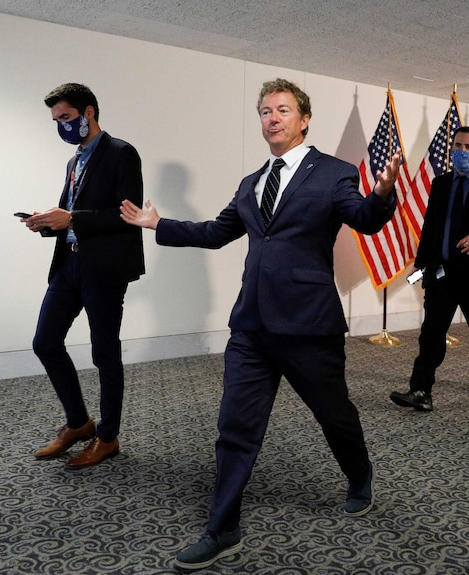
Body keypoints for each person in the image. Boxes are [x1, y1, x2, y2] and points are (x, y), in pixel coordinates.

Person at [119, 78, 401, 571]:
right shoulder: (251, 182)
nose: (272, 118)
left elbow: (365, 219)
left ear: (304, 119)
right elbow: (215, 233)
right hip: (251, 327)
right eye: (266, 111)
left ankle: (359, 476)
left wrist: (382, 192)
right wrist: (157, 225)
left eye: (283, 110)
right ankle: (222, 528)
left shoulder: (334, 172)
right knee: (235, 427)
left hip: (309, 326)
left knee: (334, 415)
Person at [19, 83, 144, 469]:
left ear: (88, 112)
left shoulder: (121, 153)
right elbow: (73, 213)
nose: (62, 126)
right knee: (45, 342)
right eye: (56, 120)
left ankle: (107, 438)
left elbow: (129, 214)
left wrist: (72, 218)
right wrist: (46, 222)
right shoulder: (74, 162)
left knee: (104, 353)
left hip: (104, 270)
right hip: (68, 265)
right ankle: (79, 423)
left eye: (66, 118)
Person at [390, 126, 469, 412]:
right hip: (442, 273)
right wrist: (421, 265)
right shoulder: (441, 183)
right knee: (432, 331)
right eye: (458, 145)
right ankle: (421, 389)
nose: (462, 151)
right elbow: (431, 225)